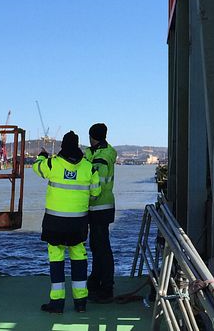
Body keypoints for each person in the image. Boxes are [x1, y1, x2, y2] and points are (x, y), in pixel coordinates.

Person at [34, 131, 100, 314]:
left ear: (63, 145)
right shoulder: (89, 167)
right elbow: (95, 192)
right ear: (78, 145)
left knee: (56, 259)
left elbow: (37, 168)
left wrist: (41, 156)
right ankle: (80, 303)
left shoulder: (52, 163)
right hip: (78, 223)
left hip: (54, 223)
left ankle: (57, 303)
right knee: (79, 257)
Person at [84, 123, 117, 303]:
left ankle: (106, 285)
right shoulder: (96, 153)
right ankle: (96, 280)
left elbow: (96, 183)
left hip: (100, 206)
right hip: (99, 207)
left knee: (102, 247)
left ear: (91, 136)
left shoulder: (101, 157)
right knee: (97, 245)